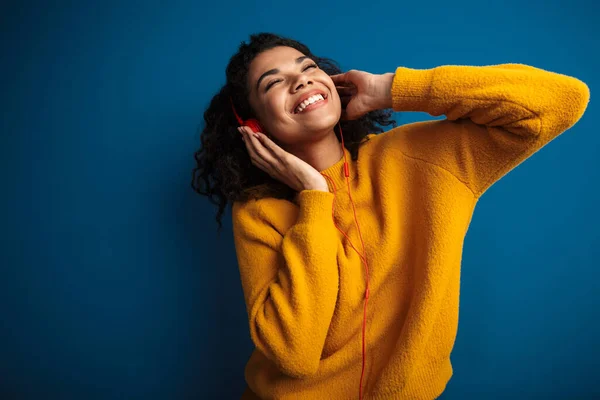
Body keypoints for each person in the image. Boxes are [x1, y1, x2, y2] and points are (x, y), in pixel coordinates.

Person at [191, 32, 590, 400]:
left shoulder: (421, 158)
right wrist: (314, 197)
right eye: (274, 82)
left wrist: (391, 89)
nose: (301, 81)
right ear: (253, 125)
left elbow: (562, 100)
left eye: (308, 68)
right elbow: (293, 354)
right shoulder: (259, 213)